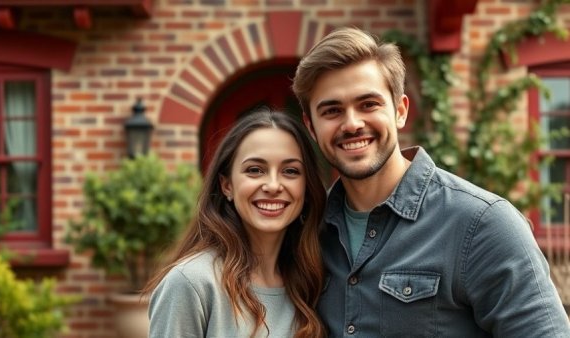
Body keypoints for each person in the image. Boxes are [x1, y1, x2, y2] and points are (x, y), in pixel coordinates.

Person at [292, 27, 570, 337]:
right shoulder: (309, 233)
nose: (352, 123)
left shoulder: (482, 225)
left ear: (400, 111)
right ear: (312, 127)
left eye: (369, 104)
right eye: (332, 110)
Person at [144, 108, 326, 338]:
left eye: (290, 171)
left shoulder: (311, 283)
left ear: (306, 188)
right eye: (255, 170)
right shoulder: (192, 282)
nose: (273, 185)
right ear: (227, 185)